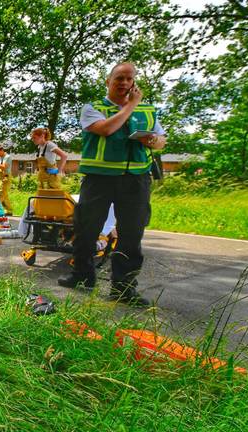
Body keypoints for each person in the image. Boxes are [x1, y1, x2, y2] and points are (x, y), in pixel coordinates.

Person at [58, 62, 166, 306]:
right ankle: (82, 276)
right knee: (86, 228)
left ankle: (123, 288)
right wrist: (130, 106)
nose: (125, 83)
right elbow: (106, 129)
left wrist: (153, 140)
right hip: (99, 178)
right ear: (108, 81)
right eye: (119, 78)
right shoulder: (94, 108)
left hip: (135, 180)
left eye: (129, 79)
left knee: (131, 234)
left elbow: (161, 141)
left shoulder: (148, 111)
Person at [0, 143, 13, 215]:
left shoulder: (8, 157)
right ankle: (9, 210)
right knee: (4, 195)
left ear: (2, 150)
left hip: (5, 177)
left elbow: (4, 167)